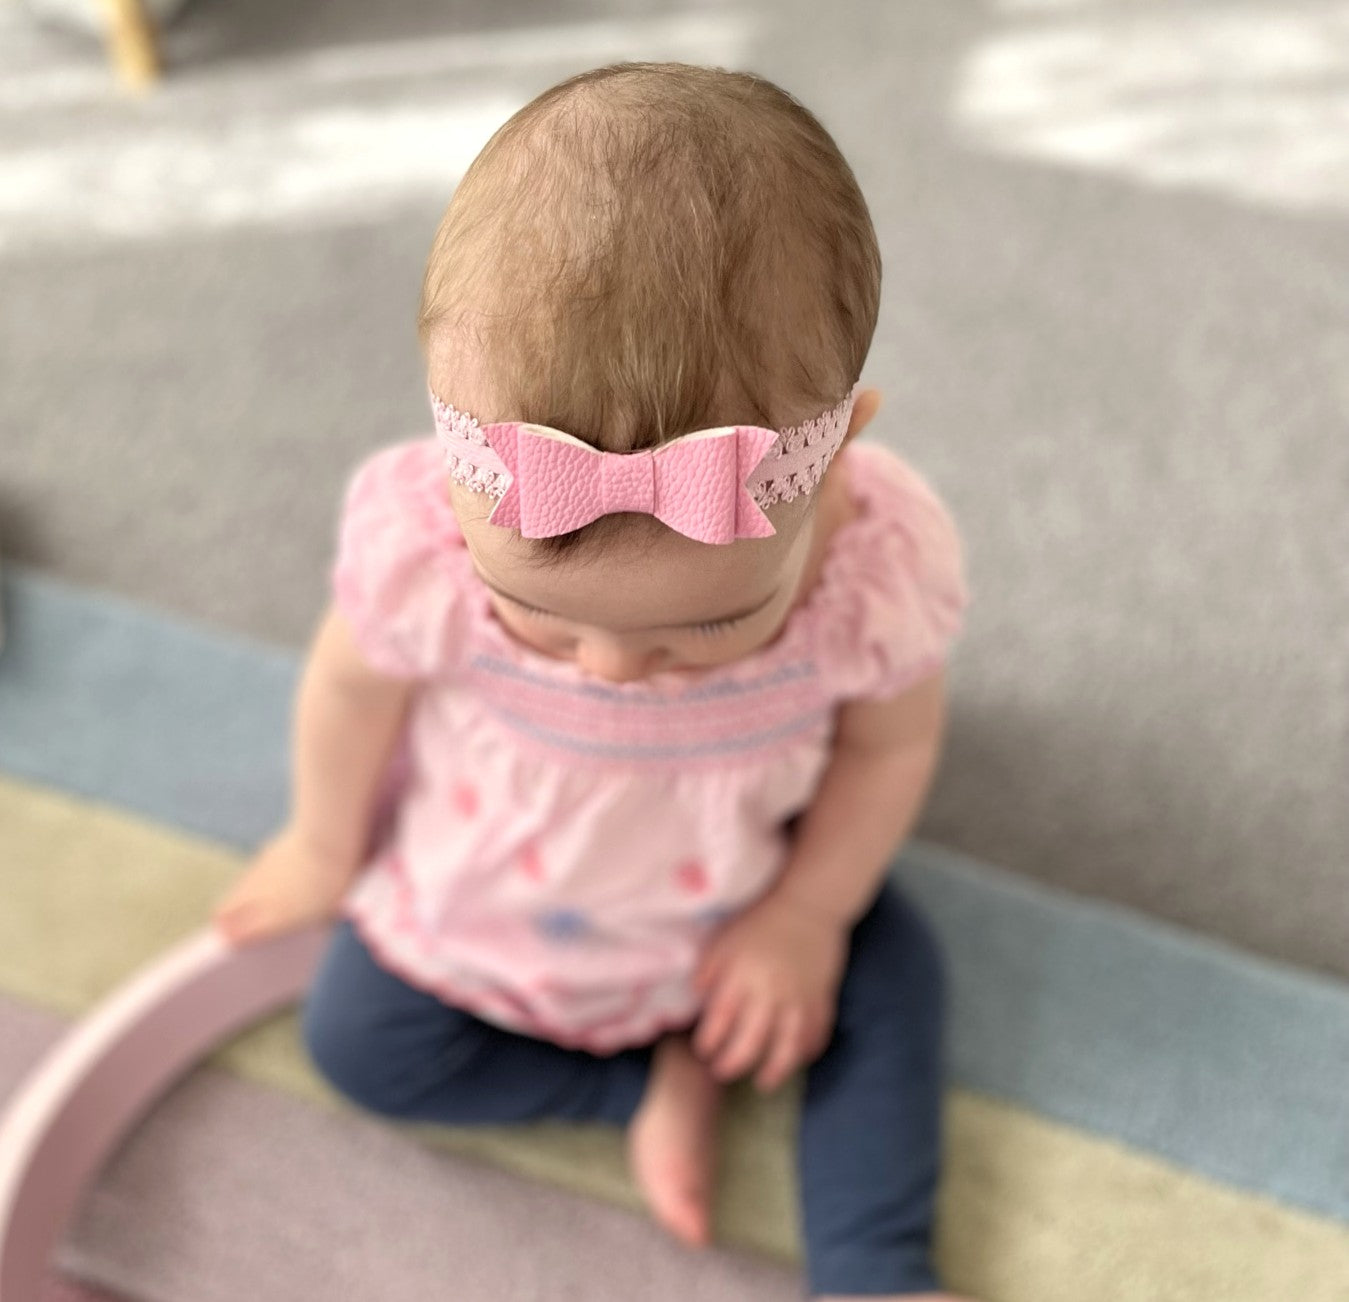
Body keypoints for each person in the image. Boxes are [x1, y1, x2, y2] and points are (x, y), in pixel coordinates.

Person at [212, 61, 972, 1301]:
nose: (615, 670)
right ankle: (639, 1087)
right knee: (355, 1045)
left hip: (745, 889)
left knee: (894, 967)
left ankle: (873, 1266)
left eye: (710, 622)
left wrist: (805, 914)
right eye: (538, 616)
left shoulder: (872, 571)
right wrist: (319, 839)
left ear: (837, 457)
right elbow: (352, 691)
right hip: (496, 886)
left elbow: (889, 748)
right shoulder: (424, 544)